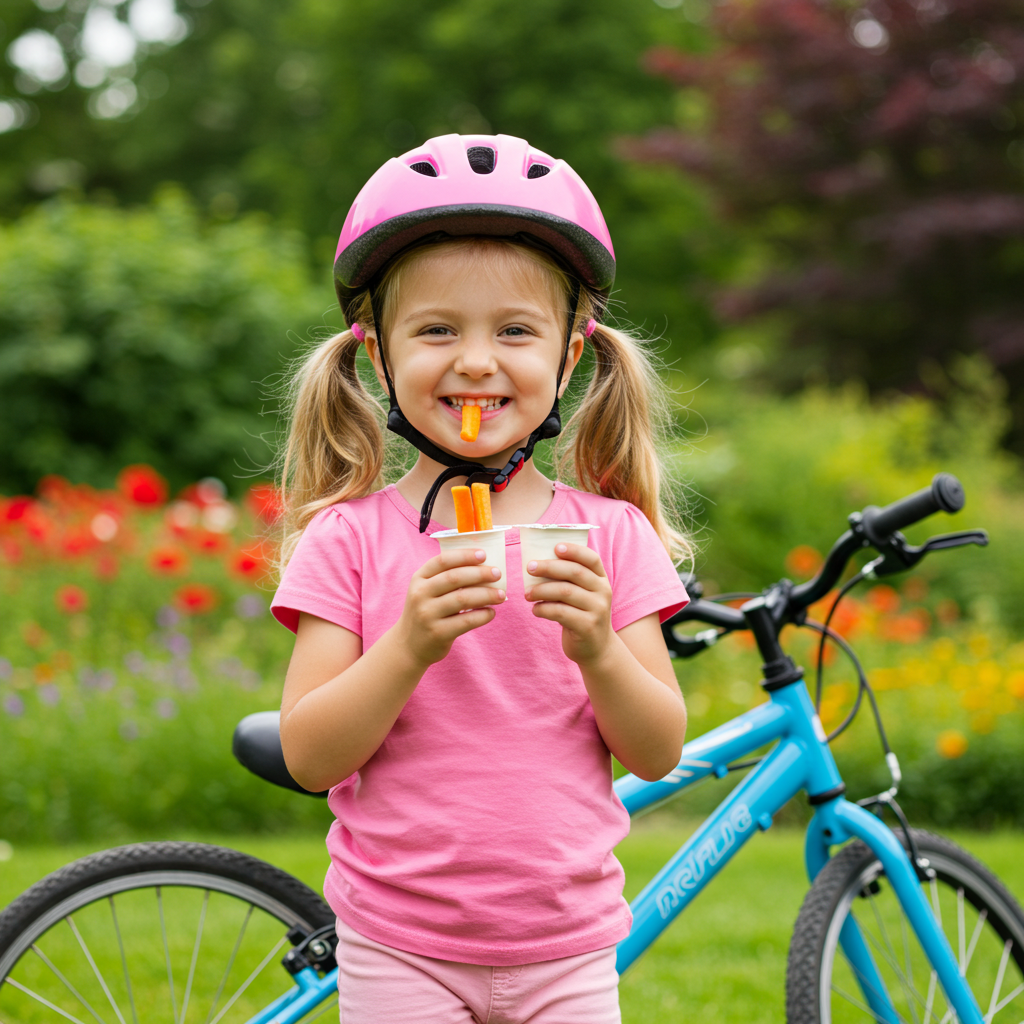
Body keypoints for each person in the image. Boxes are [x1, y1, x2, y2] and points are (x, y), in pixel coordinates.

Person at [271, 133, 690, 1023]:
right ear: (379, 358)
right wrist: (409, 644)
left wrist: (598, 647)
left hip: (569, 949)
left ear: (569, 357)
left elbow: (656, 750)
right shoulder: (346, 540)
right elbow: (310, 758)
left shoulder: (610, 537)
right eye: (435, 329)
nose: (474, 361)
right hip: (398, 946)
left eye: (513, 330)